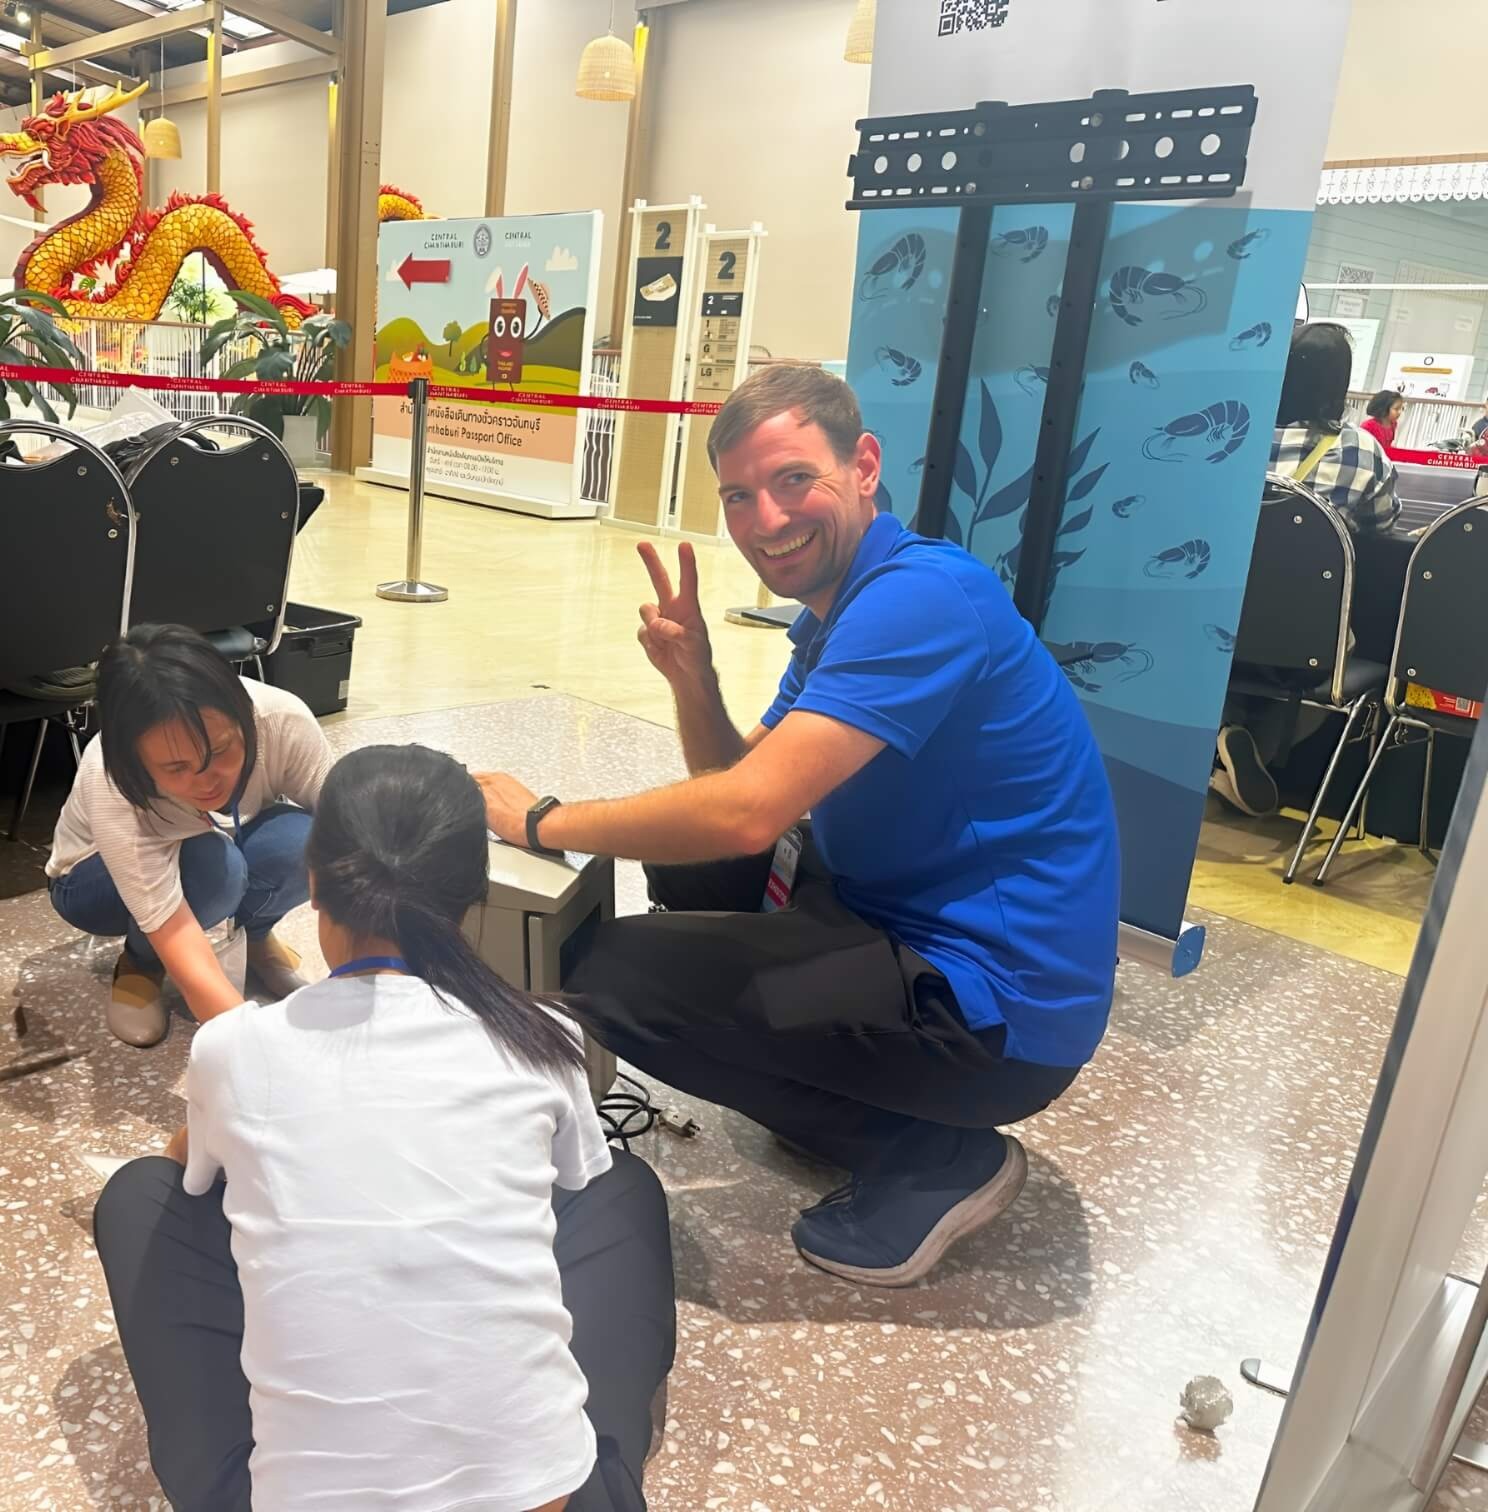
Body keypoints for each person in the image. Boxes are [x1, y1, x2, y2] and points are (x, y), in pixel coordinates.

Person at [475, 365, 1121, 1289]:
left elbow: (747, 813)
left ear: (864, 466)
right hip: (905, 914)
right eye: (739, 496)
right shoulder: (843, 612)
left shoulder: (921, 600)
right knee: (697, 883)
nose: (766, 521)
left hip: (1000, 1006)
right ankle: (848, 1082)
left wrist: (541, 820)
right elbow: (740, 782)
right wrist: (692, 672)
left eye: (792, 481)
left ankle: (934, 1157)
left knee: (616, 972)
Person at [91, 744, 676, 1512]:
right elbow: (568, 1186)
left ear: (311, 881)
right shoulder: (545, 1039)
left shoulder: (234, 1049)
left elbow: (189, 1172)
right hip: (550, 1500)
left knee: (142, 1193)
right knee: (619, 1186)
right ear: (474, 893)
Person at [46, 624, 324, 1047]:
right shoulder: (111, 777)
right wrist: (259, 1056)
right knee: (214, 868)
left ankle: (256, 934)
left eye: (222, 751)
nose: (208, 781)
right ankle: (140, 965)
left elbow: (352, 826)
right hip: (89, 880)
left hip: (217, 842)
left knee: (312, 841)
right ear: (134, 758)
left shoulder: (280, 718)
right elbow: (174, 932)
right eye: (175, 768)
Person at [1212, 324, 1401, 817]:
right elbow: (1385, 522)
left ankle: (1228, 730)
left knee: (1226, 665)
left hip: (1221, 623)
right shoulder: (1362, 451)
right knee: (1335, 664)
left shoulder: (1240, 437)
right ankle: (1249, 747)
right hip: (1306, 637)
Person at [1360, 389, 1404, 454]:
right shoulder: (1368, 426)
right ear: (1384, 408)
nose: (1400, 412)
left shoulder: (1393, 424)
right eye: (1396, 409)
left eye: (1401, 409)